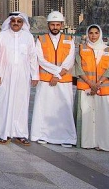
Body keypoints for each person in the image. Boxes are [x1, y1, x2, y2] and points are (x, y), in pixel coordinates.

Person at [30, 11, 76, 147]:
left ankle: (66, 137)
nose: (55, 27)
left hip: (63, 81)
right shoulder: (41, 39)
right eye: (52, 24)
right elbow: (40, 59)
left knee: (64, 109)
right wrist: (56, 73)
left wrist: (57, 76)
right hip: (45, 81)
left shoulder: (69, 40)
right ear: (48, 25)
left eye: (57, 24)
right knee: (44, 108)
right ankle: (42, 135)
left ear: (62, 25)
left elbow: (70, 60)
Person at [0, 12, 39, 145]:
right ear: (9, 22)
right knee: (4, 103)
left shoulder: (28, 37)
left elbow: (33, 57)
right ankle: (4, 133)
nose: (16, 23)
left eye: (19, 21)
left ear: (23, 23)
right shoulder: (2, 36)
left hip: (23, 76)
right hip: (5, 76)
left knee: (21, 104)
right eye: (13, 21)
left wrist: (35, 75)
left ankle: (21, 134)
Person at [74, 24, 109, 152]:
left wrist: (97, 84)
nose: (93, 35)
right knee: (86, 116)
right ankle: (87, 142)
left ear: (100, 34)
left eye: (96, 33)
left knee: (102, 117)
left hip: (102, 90)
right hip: (86, 88)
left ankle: (102, 143)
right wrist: (91, 84)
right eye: (91, 33)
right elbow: (78, 69)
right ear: (87, 34)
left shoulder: (108, 50)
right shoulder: (81, 48)